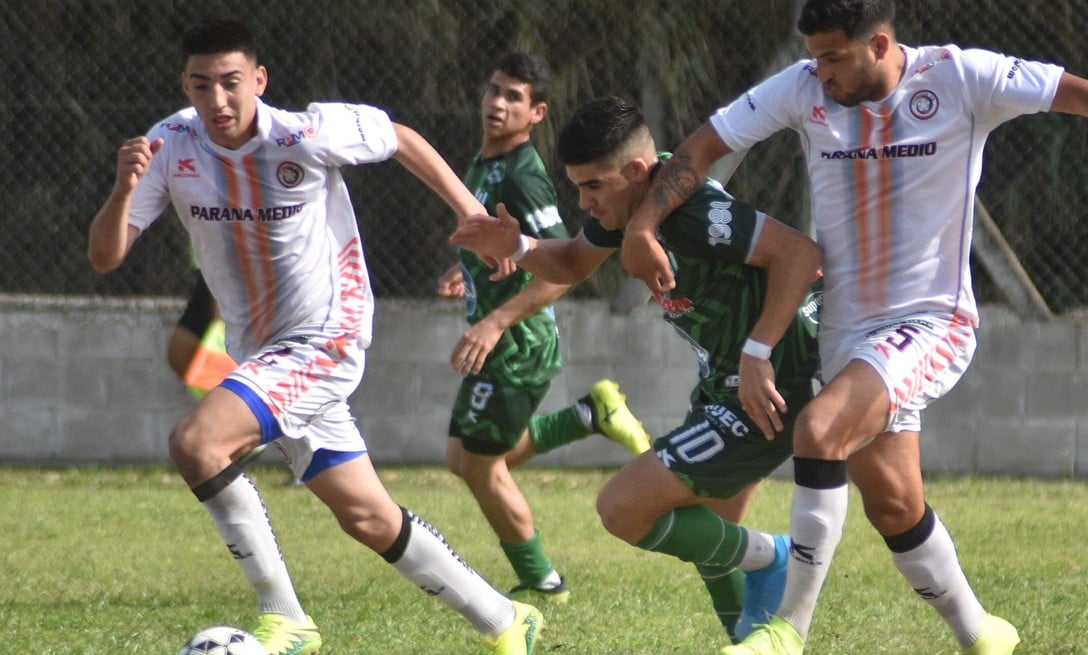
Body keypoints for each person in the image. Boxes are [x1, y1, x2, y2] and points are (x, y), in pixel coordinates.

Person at [617, 1, 1088, 654]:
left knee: (819, 428)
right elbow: (702, 145)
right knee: (893, 504)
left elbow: (1070, 91)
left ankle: (788, 629)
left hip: (932, 320)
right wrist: (640, 225)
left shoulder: (959, 77)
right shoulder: (804, 87)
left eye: (834, 56)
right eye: (814, 57)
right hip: (845, 330)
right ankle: (981, 632)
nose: (821, 72)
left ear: (880, 43)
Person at [86, 17, 545, 655]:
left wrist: (469, 210)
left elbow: (399, 137)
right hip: (263, 351)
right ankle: (504, 619)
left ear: (259, 79)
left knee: (197, 443)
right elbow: (107, 257)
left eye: (231, 83)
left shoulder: (304, 132)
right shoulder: (171, 146)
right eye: (201, 86)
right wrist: (121, 191)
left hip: (326, 337)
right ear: (184, 86)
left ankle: (286, 617)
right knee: (367, 516)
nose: (217, 101)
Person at [451, 96, 823, 644]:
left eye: (593, 186)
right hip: (727, 382)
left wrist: (758, 353)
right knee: (714, 539)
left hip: (774, 383)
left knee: (623, 509)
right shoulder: (630, 210)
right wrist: (521, 245)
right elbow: (575, 263)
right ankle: (750, 635)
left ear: (634, 172)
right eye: (577, 186)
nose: (584, 201)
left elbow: (799, 254)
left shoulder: (690, 210)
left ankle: (776, 558)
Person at [435, 53, 653, 604]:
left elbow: (562, 271)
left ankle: (543, 581)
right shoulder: (483, 165)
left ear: (537, 113)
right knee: (466, 459)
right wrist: (468, 272)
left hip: (516, 346)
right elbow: (507, 251)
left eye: (514, 97)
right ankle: (588, 414)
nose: (498, 103)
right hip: (504, 342)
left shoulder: (523, 176)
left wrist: (495, 321)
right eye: (494, 90)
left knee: (478, 466)